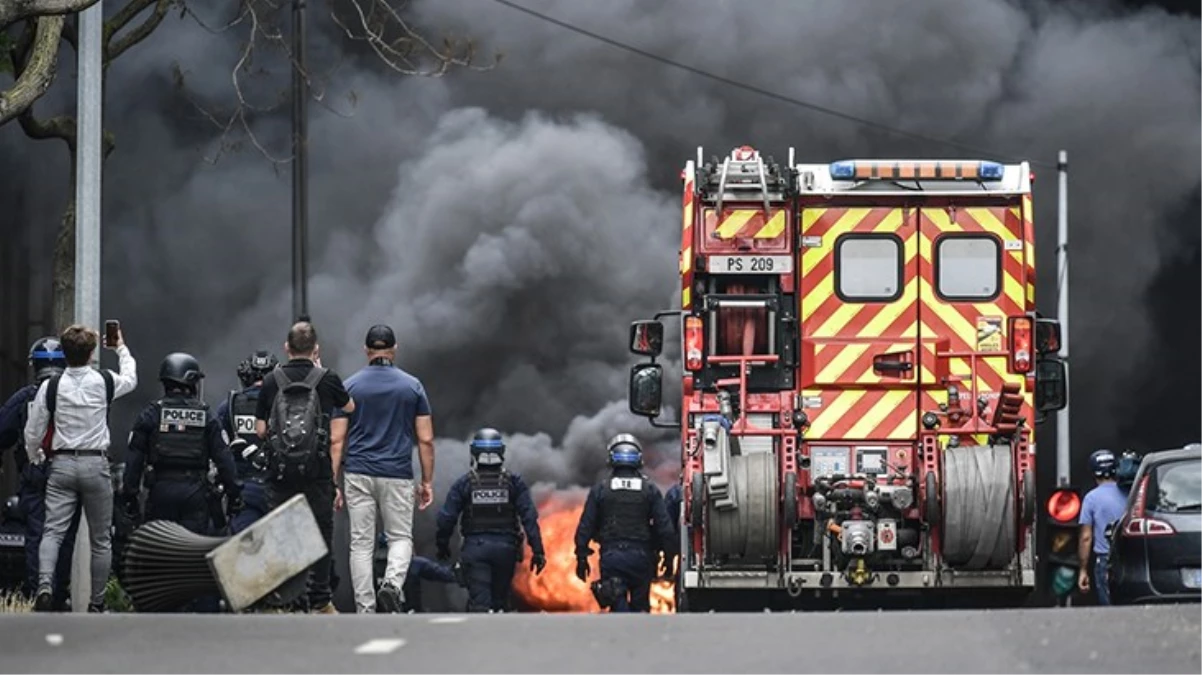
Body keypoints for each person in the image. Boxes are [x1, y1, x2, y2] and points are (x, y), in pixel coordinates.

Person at [24, 324, 137, 613]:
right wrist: (120, 347)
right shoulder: (105, 381)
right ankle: (96, 603)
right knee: (101, 540)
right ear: (91, 353)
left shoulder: (51, 386)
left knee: (52, 531)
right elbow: (131, 379)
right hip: (95, 464)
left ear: (64, 353)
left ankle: (45, 585)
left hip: (61, 465)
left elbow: (34, 429)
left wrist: (35, 454)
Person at [254, 319, 354, 614]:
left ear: (287, 348)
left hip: (280, 471)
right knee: (321, 534)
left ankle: (279, 601)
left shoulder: (272, 380)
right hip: (318, 471)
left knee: (279, 533)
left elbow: (261, 429)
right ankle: (320, 600)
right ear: (316, 349)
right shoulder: (328, 378)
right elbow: (350, 408)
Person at [336, 324, 436, 614]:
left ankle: (365, 609)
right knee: (401, 538)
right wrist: (427, 481)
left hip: (358, 473)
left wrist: (333, 483)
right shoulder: (412, 386)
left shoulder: (350, 386)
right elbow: (426, 439)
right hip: (397, 474)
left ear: (367, 350)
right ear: (394, 349)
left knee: (361, 545)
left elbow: (336, 439)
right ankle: (392, 584)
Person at [123, 353, 242, 535]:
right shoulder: (206, 416)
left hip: (160, 491)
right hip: (195, 492)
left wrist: (130, 495)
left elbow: (134, 458)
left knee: (159, 546)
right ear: (191, 381)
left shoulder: (151, 414)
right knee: (191, 549)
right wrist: (234, 494)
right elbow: (224, 458)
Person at [0, 338, 80, 608]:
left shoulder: (24, 398)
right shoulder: (80, 395)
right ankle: (59, 595)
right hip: (70, 475)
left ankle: (40, 595)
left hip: (36, 477)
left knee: (38, 537)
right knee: (65, 537)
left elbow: (2, 433)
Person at [435, 428, 546, 613]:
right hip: (506, 551)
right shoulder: (514, 482)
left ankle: (482, 638)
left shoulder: (465, 483)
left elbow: (447, 518)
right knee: (501, 602)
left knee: (480, 605)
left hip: (476, 550)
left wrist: (442, 545)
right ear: (501, 452)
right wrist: (538, 551)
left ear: (474, 452)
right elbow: (529, 518)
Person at [574, 434, 677, 613]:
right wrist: (668, 558)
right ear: (638, 460)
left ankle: (622, 632)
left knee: (617, 604)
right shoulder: (650, 490)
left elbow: (586, 526)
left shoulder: (600, 489)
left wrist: (581, 557)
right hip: (642, 558)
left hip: (612, 557)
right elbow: (665, 529)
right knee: (640, 608)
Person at [215, 350, 279, 533]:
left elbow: (218, 449)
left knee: (245, 549)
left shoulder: (229, 405)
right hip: (276, 490)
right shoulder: (283, 406)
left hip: (243, 489)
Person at [1078, 449, 1129, 605]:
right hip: (1130, 558)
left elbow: (1086, 537)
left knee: (1109, 608)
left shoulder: (1091, 499)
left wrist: (1083, 570)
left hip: (1105, 561)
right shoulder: (1130, 492)